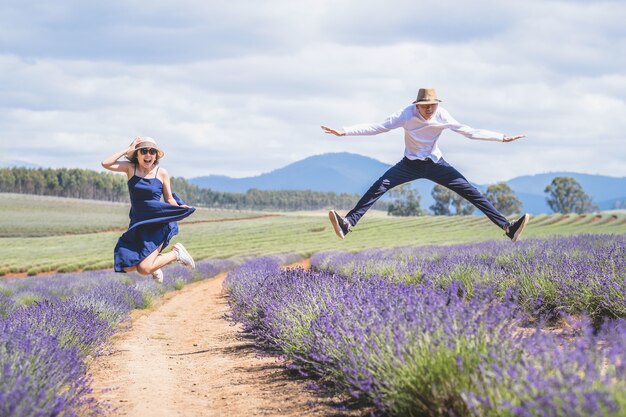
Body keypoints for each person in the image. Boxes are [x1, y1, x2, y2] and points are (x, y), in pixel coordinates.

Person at [321, 87, 530, 242]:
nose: (429, 109)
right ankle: (347, 224)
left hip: (436, 163)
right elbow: (379, 127)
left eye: (433, 105)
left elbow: (469, 131)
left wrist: (501, 137)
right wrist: (345, 131)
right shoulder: (406, 114)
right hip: (409, 164)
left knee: (471, 192)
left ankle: (507, 227)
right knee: (379, 186)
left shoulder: (442, 115)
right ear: (417, 105)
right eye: (425, 106)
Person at [101, 137, 196, 283]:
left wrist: (179, 208)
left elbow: (169, 198)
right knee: (125, 265)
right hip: (138, 224)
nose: (148, 155)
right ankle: (155, 265)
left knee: (143, 269)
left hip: (157, 223)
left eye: (152, 152)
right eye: (144, 151)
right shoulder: (130, 168)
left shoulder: (161, 173)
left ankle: (176, 253)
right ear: (137, 154)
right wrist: (128, 148)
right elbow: (105, 163)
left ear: (156, 156)